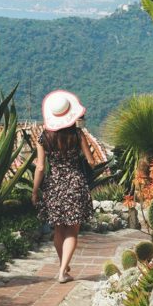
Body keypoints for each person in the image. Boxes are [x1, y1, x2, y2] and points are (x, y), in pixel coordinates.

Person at [32, 90, 94, 283]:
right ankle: (62, 271)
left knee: (58, 230)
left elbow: (41, 167)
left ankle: (63, 267)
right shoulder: (77, 134)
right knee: (72, 231)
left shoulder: (43, 137)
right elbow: (91, 161)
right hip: (75, 183)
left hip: (54, 185)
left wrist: (35, 191)